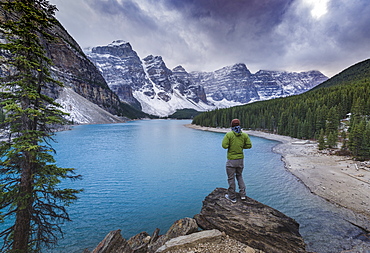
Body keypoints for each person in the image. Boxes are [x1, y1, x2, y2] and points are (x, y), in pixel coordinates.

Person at [221, 119, 252, 203]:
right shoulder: (244, 135)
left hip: (231, 160)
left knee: (231, 178)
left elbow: (224, 146)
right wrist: (240, 147)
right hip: (240, 160)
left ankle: (232, 197)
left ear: (231, 125)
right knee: (239, 176)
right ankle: (243, 195)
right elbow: (249, 145)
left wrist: (232, 146)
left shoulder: (229, 134)